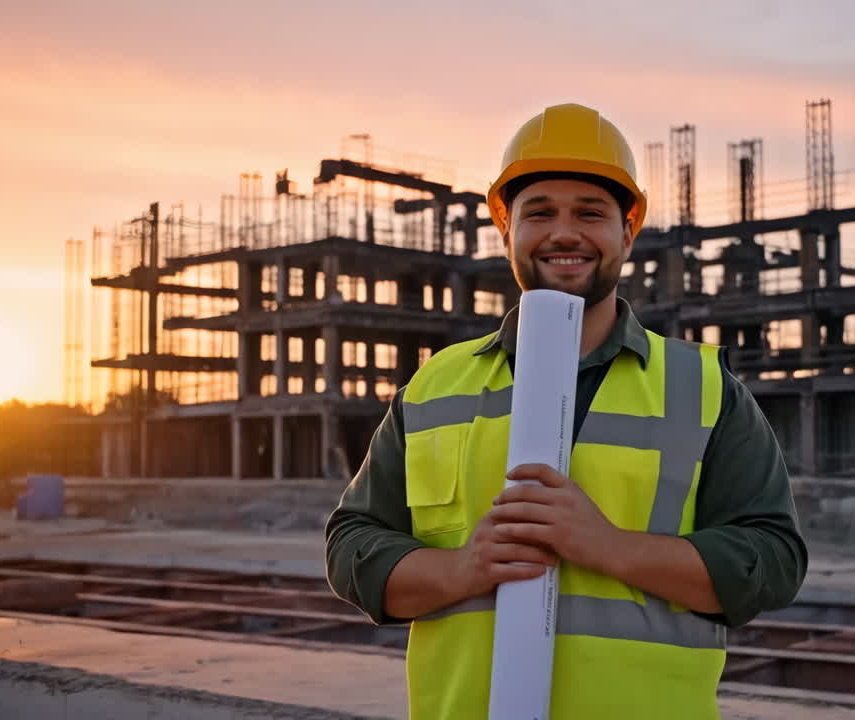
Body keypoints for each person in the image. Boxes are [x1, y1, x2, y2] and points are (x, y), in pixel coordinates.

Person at [325, 103, 807, 720]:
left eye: (590, 213)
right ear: (507, 233)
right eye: (540, 212)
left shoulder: (704, 387)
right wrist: (462, 569)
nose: (564, 232)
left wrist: (606, 546)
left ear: (626, 233)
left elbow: (771, 561)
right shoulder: (434, 386)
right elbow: (352, 545)